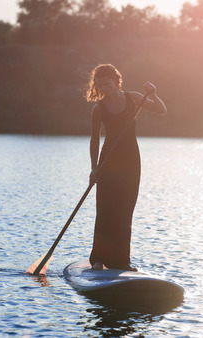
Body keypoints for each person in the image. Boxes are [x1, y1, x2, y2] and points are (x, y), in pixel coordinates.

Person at [86, 64, 167, 271]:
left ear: (116, 80)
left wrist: (154, 94)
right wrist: (94, 169)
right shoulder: (99, 109)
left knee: (124, 212)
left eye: (107, 83)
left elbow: (161, 110)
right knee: (105, 210)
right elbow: (94, 141)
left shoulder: (134, 98)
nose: (104, 88)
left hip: (131, 161)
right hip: (108, 162)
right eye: (100, 84)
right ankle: (98, 259)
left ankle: (122, 261)